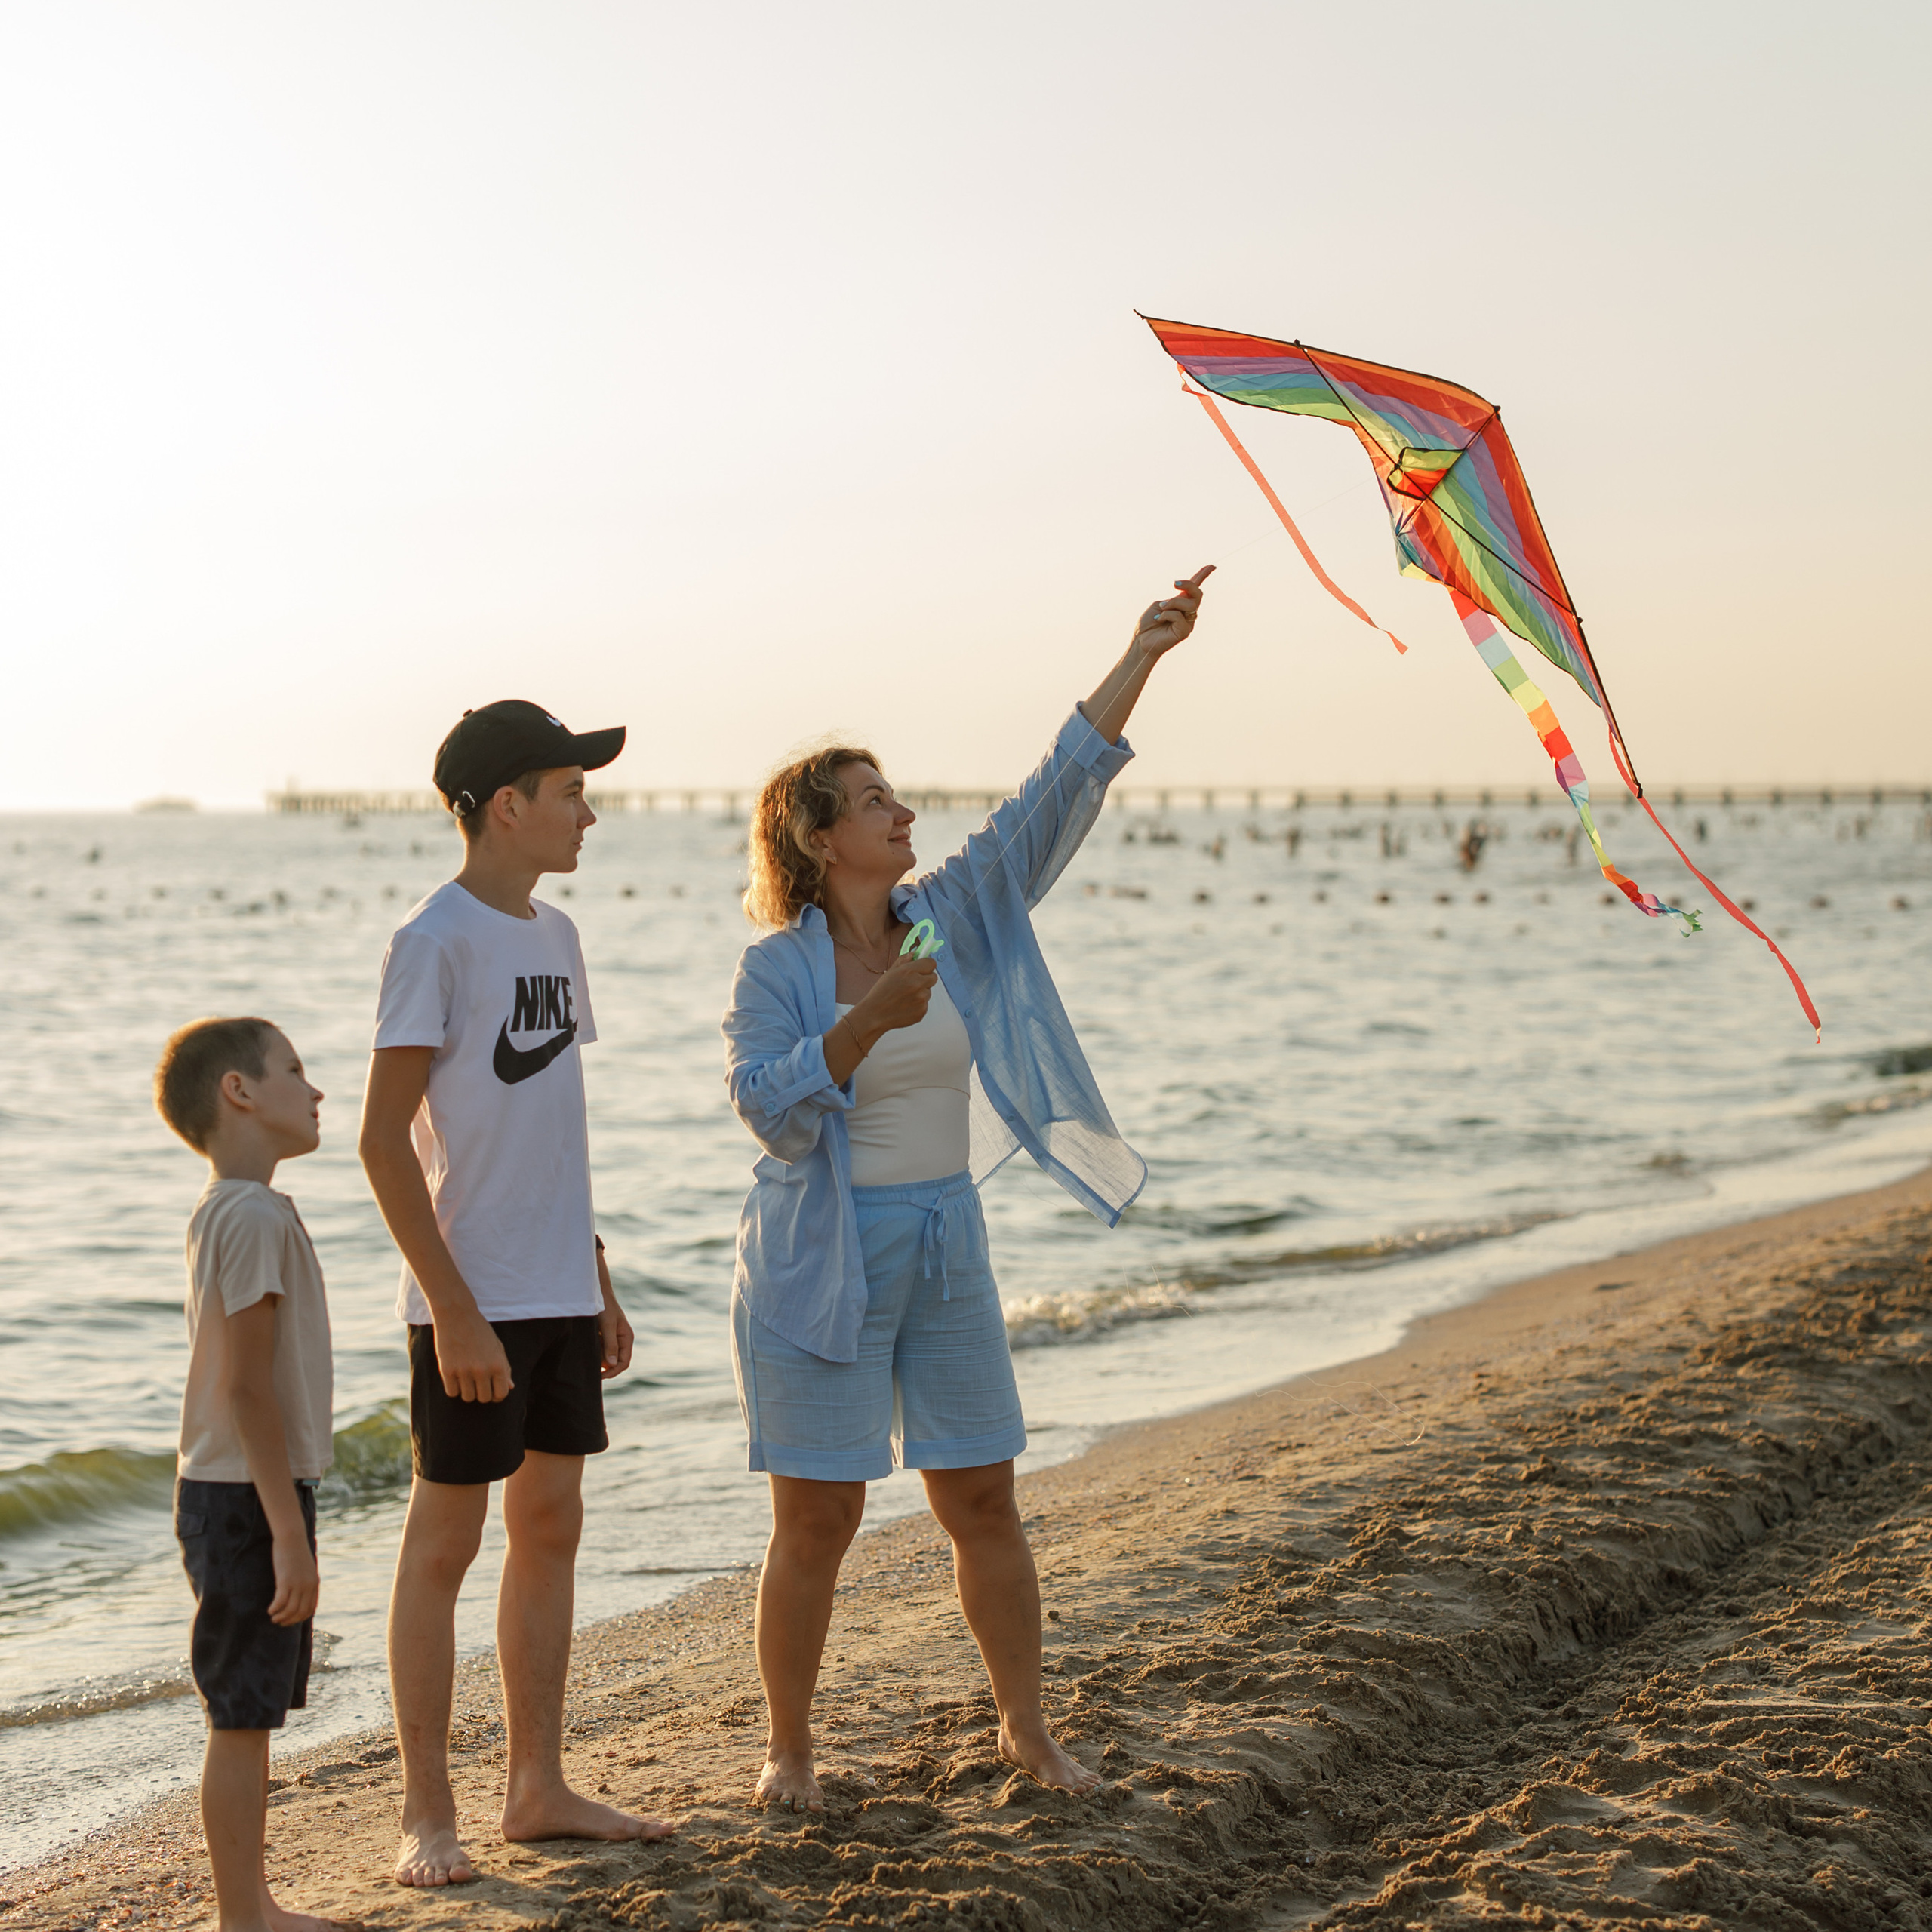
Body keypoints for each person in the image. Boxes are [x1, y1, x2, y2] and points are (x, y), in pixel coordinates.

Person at [724, 568, 1211, 1810]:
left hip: (948, 1236)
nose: (903, 811)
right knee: (819, 1521)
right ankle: (788, 1756)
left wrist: (1142, 650)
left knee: (984, 1494)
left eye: (898, 793)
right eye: (874, 800)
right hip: (821, 1260)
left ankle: (1027, 1733)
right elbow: (770, 1112)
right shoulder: (776, 968)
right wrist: (863, 1025)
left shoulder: (942, 920)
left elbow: (1052, 800)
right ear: (817, 837)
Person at [358, 700, 673, 1887]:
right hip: (470, 1294)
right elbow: (385, 1144)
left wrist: (595, 1273)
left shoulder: (558, 936)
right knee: (443, 1543)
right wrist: (452, 1309)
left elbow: (553, 1124)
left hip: (554, 1285)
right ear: (506, 805)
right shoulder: (432, 939)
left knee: (550, 1529)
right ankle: (426, 1814)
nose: (587, 810)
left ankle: (535, 1787)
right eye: (570, 789)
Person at [155, 1016, 337, 1932]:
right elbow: (248, 1387)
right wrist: (290, 1531)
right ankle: (243, 1915)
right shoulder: (254, 1214)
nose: (316, 1091)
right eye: (296, 1071)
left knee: (248, 1708)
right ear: (239, 1091)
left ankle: (251, 1902)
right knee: (240, 1711)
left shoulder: (230, 1206)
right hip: (244, 1494)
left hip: (227, 1487)